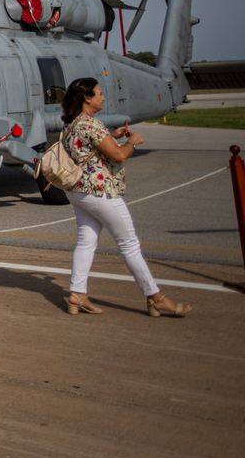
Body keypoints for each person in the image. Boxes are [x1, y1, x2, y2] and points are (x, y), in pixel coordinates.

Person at [59, 77, 192, 317]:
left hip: (78, 192)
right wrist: (132, 142)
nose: (104, 97)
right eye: (99, 93)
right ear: (87, 98)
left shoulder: (72, 126)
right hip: (101, 192)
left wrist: (114, 135)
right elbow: (119, 156)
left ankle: (77, 294)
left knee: (86, 241)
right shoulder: (92, 125)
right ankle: (155, 297)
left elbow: (95, 148)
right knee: (129, 244)